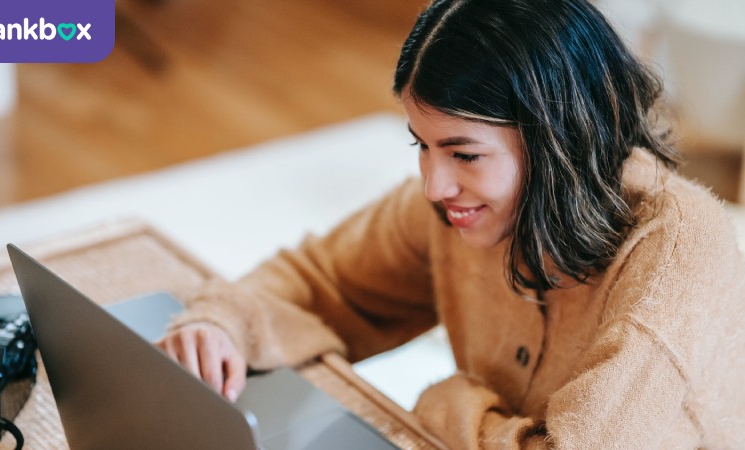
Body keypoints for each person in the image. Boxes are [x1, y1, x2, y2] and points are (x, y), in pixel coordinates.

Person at [157, 0, 745, 447]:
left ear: (558, 140)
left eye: (464, 154)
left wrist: (451, 407)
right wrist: (224, 323)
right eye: (423, 145)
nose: (435, 187)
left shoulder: (677, 257)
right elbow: (323, 280)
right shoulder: (464, 205)